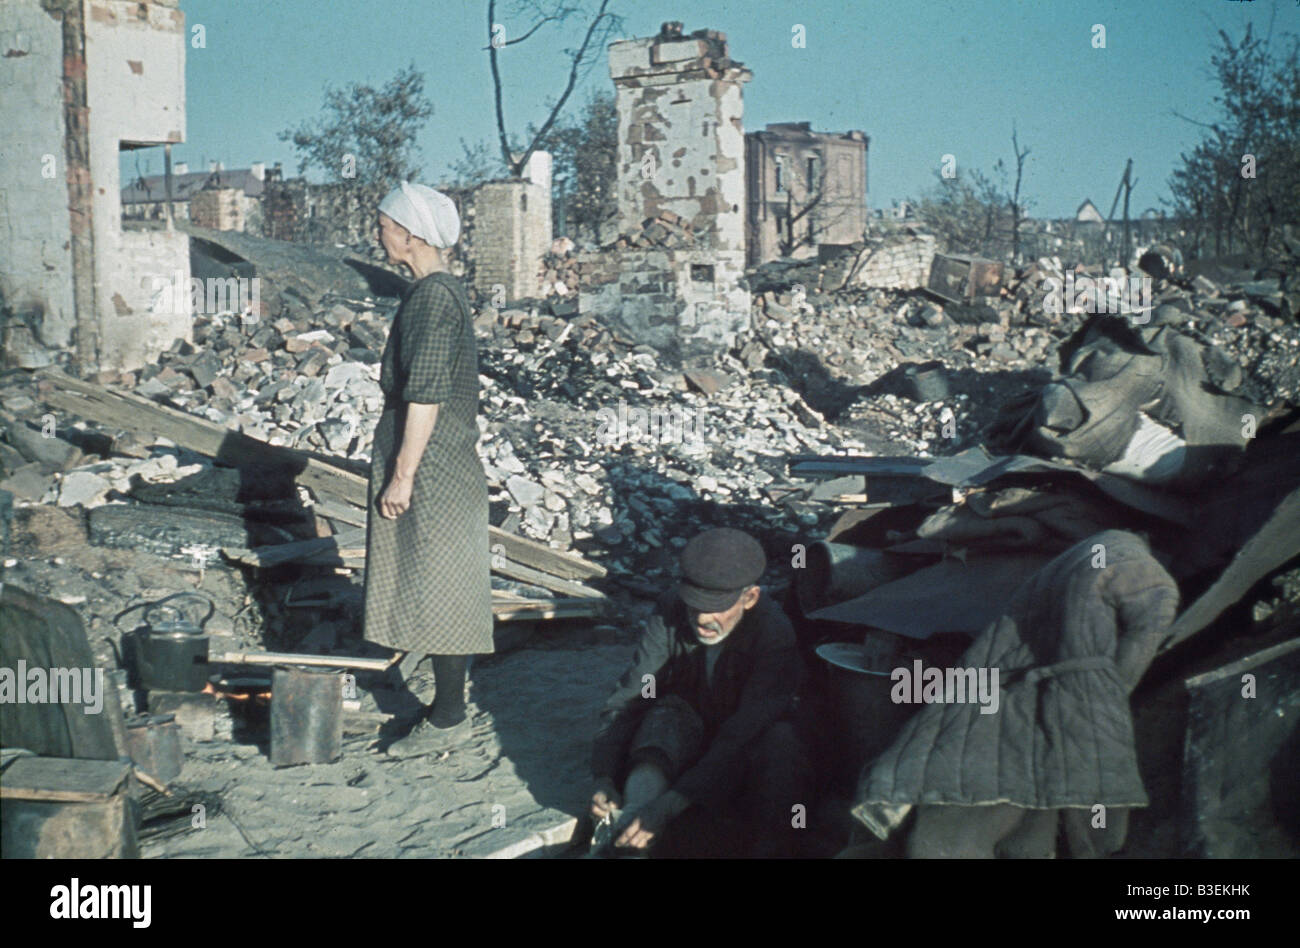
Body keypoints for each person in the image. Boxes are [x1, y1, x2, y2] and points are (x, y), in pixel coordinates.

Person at [364, 181, 493, 756]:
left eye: (386, 225)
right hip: (437, 458)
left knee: (444, 586)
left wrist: (404, 473)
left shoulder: (435, 299)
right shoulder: (437, 293)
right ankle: (446, 710)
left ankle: (448, 718)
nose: (379, 233)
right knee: (436, 581)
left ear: (411, 235)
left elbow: (427, 393)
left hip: (434, 463)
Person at [588, 527, 811, 857]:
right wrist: (604, 775)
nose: (703, 617)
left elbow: (741, 734)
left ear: (749, 598)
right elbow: (633, 696)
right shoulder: (669, 610)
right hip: (694, 731)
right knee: (663, 711)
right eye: (694, 605)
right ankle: (634, 819)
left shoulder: (774, 634)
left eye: (717, 606)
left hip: (744, 748)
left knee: (781, 743)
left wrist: (672, 803)